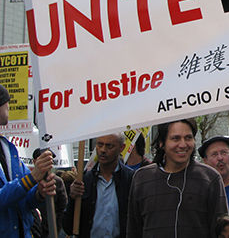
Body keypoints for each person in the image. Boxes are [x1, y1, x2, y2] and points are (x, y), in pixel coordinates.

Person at [127, 119, 228, 238]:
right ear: (161, 143)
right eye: (176, 138)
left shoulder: (210, 178)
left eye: (188, 138)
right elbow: (133, 230)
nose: (183, 144)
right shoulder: (142, 178)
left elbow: (221, 230)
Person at [0, 83, 56, 238]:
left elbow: (25, 201)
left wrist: (39, 192)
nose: (9, 106)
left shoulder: (9, 149)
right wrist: (32, 178)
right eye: (6, 102)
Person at [63, 133, 134, 238]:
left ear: (121, 148)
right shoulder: (84, 180)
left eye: (109, 146)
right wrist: (73, 198)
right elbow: (68, 227)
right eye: (100, 145)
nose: (103, 150)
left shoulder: (131, 179)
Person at [32, 148, 68, 238]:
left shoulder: (57, 181)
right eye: (44, 158)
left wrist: (56, 228)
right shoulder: (29, 181)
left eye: (50, 159)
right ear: (35, 161)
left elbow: (62, 207)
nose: (48, 162)